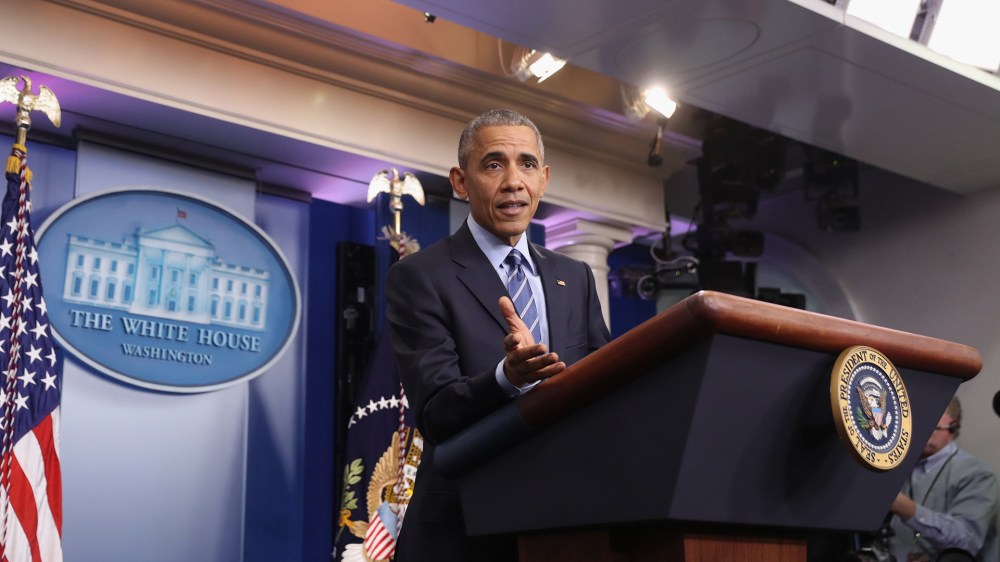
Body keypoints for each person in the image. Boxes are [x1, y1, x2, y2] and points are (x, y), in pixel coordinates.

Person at [386, 108, 611, 561]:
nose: (513, 181)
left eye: (527, 164)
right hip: (466, 530)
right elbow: (435, 412)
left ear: (544, 179)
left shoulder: (575, 275)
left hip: (568, 521)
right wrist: (506, 377)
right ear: (460, 181)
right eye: (493, 164)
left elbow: (605, 385)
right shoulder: (420, 276)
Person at [889, 396, 999, 562]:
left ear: (954, 426)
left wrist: (907, 508)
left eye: (932, 424)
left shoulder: (978, 474)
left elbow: (966, 540)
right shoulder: (898, 470)